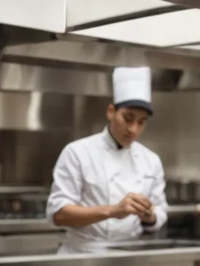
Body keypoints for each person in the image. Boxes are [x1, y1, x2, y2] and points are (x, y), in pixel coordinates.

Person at [46, 66, 167, 254]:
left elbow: (160, 213)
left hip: (129, 257)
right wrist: (113, 211)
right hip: (82, 256)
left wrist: (148, 215)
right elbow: (59, 214)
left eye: (141, 122)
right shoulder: (78, 152)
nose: (133, 129)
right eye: (128, 118)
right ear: (111, 112)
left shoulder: (151, 160)